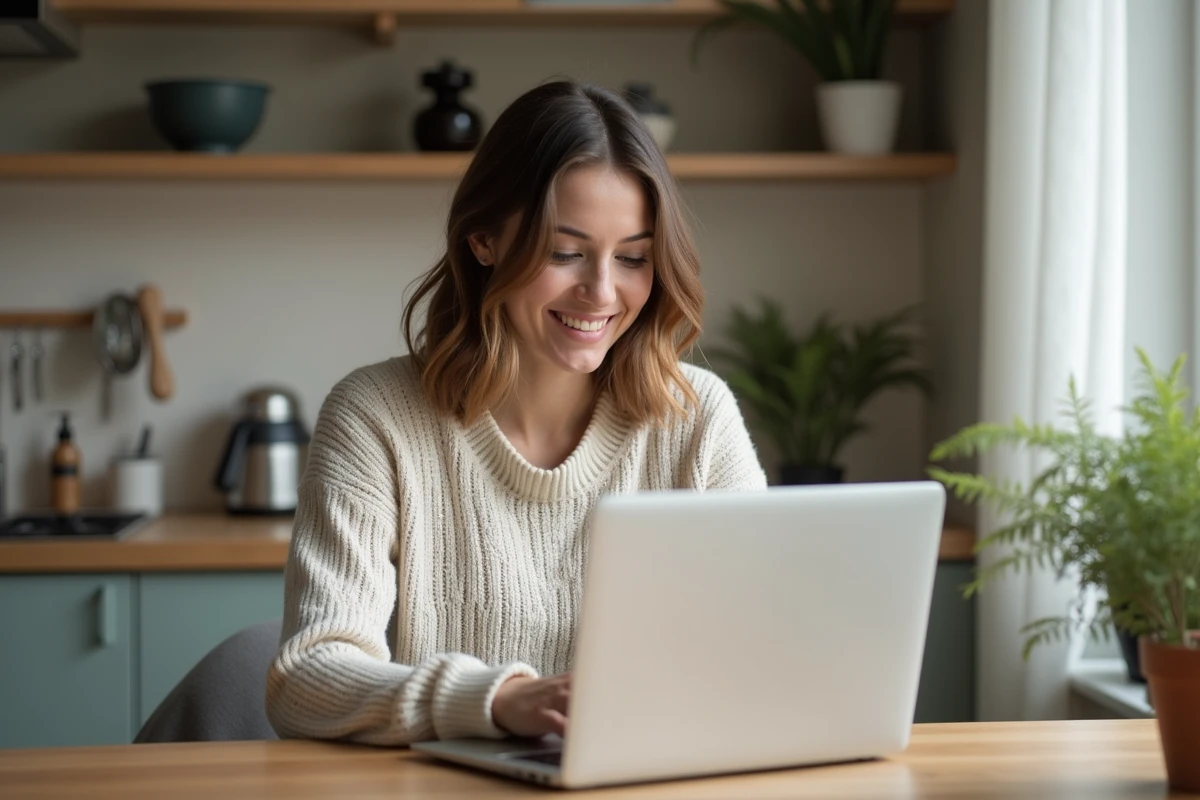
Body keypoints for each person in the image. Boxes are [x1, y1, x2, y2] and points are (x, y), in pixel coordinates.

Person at [264, 80, 767, 746]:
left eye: (634, 257)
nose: (602, 292)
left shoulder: (697, 418)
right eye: (566, 253)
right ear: (483, 240)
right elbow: (307, 678)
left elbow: (765, 649)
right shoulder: (376, 417)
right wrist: (496, 700)